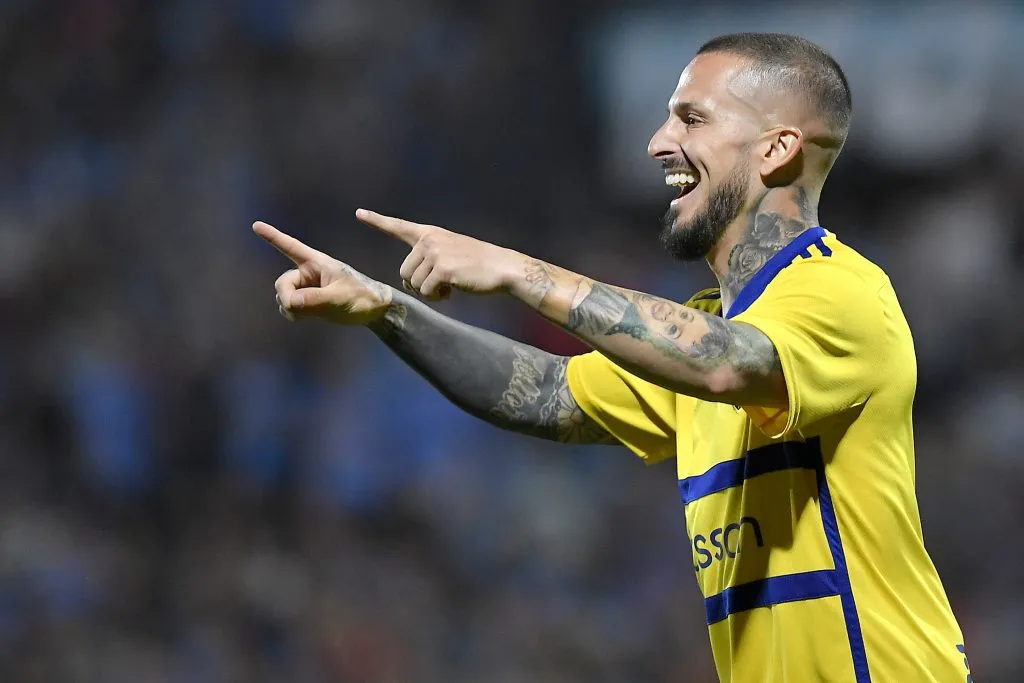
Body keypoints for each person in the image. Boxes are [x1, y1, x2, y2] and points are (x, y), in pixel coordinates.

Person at [254, 32, 970, 683]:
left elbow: (727, 363)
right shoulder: (701, 328)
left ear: (776, 149)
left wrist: (517, 270)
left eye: (693, 119)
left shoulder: (841, 291)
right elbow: (549, 393)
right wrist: (386, 309)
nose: (659, 142)